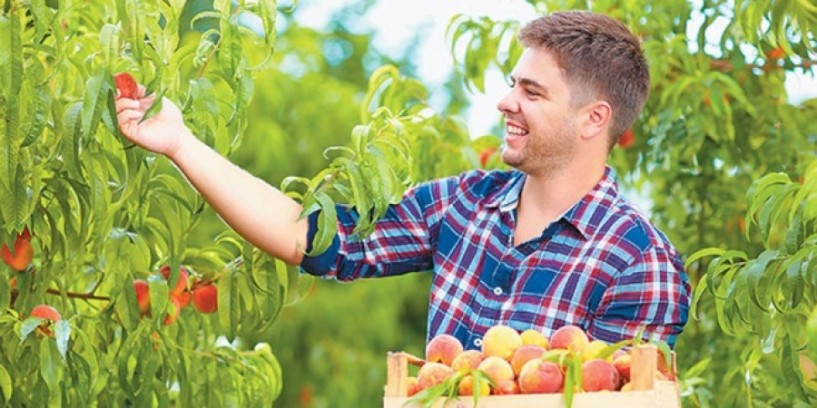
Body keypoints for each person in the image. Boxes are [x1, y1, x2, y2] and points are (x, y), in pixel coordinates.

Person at [116, 10, 690, 349]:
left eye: (532, 92)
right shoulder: (464, 204)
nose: (505, 101)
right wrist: (181, 144)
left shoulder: (638, 263)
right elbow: (309, 238)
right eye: (514, 83)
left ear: (594, 119)